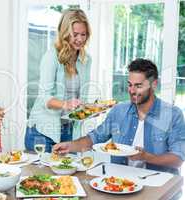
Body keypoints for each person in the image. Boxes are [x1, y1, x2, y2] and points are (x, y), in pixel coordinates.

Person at [53, 58, 185, 174]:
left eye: (138, 86)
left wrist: (145, 157)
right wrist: (70, 146)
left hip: (158, 184)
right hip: (120, 183)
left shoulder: (173, 114)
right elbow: (94, 138)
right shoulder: (119, 111)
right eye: (130, 85)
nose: (132, 91)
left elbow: (178, 159)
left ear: (154, 84)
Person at [25, 8, 92, 152]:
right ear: (65, 33)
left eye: (83, 34)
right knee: (40, 174)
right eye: (75, 34)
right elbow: (45, 97)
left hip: (69, 128)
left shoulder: (86, 60)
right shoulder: (51, 57)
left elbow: (82, 94)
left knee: (68, 174)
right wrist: (66, 104)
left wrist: (90, 107)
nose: (80, 39)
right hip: (44, 131)